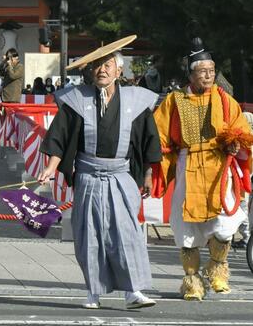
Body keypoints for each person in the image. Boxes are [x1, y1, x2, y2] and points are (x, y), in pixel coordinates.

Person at [37, 35, 161, 310]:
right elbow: (61, 138)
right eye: (97, 66)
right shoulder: (76, 100)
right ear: (90, 71)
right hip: (89, 175)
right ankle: (93, 291)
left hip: (122, 176)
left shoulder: (136, 101)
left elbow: (148, 141)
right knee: (90, 235)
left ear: (120, 70)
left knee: (127, 233)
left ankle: (133, 291)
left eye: (108, 65)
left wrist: (150, 175)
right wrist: (50, 168)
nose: (102, 70)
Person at [153, 38, 252, 300]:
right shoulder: (174, 101)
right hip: (188, 167)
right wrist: (155, 167)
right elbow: (159, 136)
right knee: (187, 232)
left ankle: (218, 270)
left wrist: (235, 144)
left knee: (224, 227)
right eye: (202, 71)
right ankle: (192, 281)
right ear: (191, 73)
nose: (208, 76)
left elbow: (242, 131)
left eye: (211, 70)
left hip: (219, 168)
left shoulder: (225, 100)